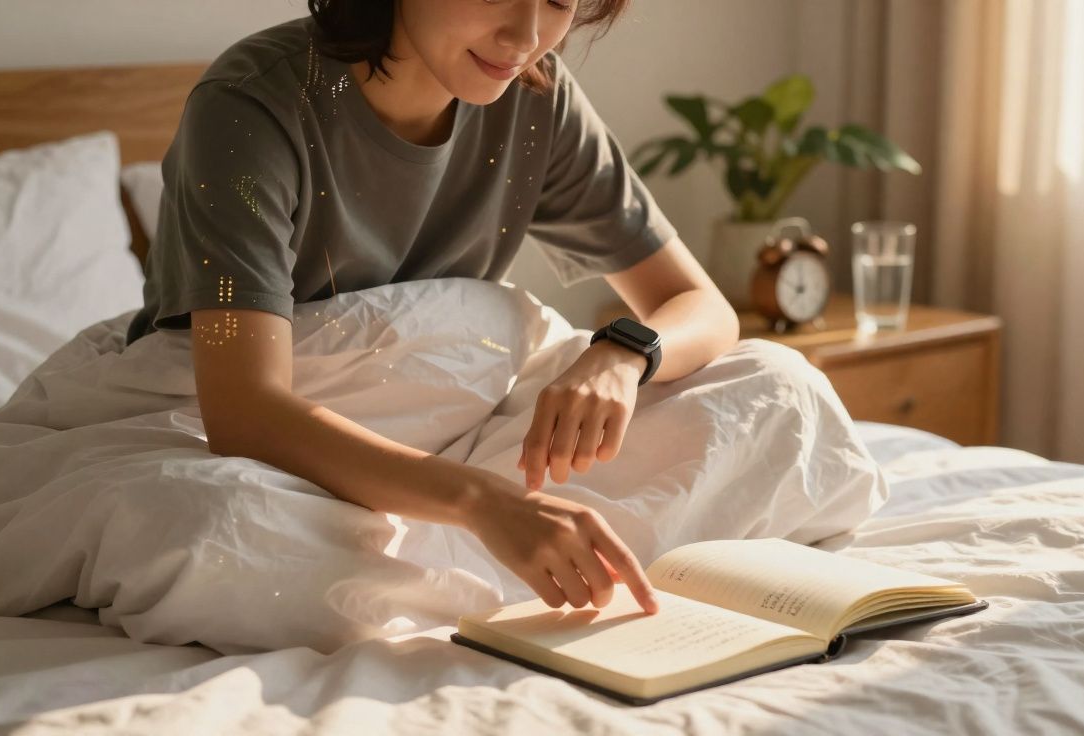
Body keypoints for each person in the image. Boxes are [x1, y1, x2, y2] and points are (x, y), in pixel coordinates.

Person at [123, 0, 740, 618]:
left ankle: (464, 551)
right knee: (224, 535)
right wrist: (484, 503)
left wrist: (622, 353)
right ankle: (464, 548)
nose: (525, 37)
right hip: (273, 444)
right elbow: (244, 413)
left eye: (557, 0)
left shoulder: (536, 97)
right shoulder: (250, 105)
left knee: (770, 383)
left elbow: (700, 305)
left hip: (451, 426)